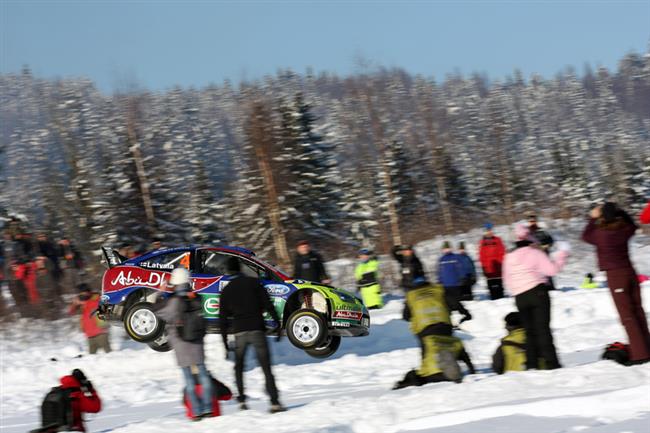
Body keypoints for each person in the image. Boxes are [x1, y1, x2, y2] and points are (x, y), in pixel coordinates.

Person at [582, 202, 650, 365]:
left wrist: (593, 218)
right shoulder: (624, 229)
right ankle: (646, 347)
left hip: (615, 275)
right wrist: (622, 211)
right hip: (630, 272)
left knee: (627, 316)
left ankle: (640, 354)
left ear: (603, 216)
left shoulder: (601, 233)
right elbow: (633, 225)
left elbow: (585, 235)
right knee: (638, 311)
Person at [219, 257, 286, 413]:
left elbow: (222, 319)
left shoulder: (227, 290)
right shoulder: (254, 283)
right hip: (257, 329)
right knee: (266, 367)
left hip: (240, 332)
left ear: (229, 271)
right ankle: (275, 402)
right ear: (240, 269)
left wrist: (224, 343)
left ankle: (242, 401)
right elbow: (268, 305)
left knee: (239, 367)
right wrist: (277, 326)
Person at [503, 224, 569, 370]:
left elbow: (506, 280)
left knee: (529, 331)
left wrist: (518, 288)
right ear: (530, 238)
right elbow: (552, 270)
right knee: (543, 330)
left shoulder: (509, 257)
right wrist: (562, 254)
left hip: (520, 297)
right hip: (537, 292)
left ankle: (531, 364)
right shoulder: (535, 252)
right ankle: (552, 364)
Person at [393, 277, 474, 389]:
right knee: (447, 345)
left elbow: (406, 316)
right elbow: (454, 303)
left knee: (428, 353)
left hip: (424, 329)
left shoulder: (411, 296)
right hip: (444, 324)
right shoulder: (438, 290)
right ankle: (451, 368)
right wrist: (465, 313)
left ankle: (431, 372)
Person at [157, 267, 213, 421]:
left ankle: (197, 412)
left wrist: (161, 294)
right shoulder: (197, 297)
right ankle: (208, 408)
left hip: (181, 344)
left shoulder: (174, 301)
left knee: (189, 379)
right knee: (203, 374)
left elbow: (160, 312)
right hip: (197, 341)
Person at [36, 369, 101, 432]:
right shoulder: (76, 394)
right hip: (72, 430)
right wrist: (91, 390)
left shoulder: (55, 392)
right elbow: (95, 407)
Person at [68, 284, 111, 354]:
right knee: (91, 358)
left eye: (83, 292)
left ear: (88, 291)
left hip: (101, 333)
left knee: (110, 355)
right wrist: (74, 303)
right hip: (90, 335)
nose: (81, 295)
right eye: (80, 293)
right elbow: (70, 312)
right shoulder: (81, 302)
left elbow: (100, 305)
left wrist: (83, 302)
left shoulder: (96, 297)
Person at [528, 214, 556, 290]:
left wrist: (547, 245)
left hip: (544, 254)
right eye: (530, 221)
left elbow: (551, 240)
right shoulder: (527, 232)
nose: (532, 222)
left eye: (533, 221)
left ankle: (551, 288)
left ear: (536, 221)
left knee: (547, 272)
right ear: (528, 222)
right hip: (533, 256)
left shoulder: (542, 230)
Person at [478, 223, 506, 300]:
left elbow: (502, 252)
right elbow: (481, 255)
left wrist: (501, 263)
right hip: (488, 268)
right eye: (487, 230)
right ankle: (493, 299)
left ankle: (501, 299)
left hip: (497, 266)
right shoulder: (482, 242)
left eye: (490, 230)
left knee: (499, 285)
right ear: (484, 231)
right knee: (491, 286)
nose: (489, 232)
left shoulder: (497, 240)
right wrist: (483, 266)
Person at [437, 241, 464, 309]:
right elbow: (439, 271)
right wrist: (439, 280)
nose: (447, 250)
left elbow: (460, 269)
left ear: (451, 249)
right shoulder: (441, 259)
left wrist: (461, 278)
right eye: (445, 249)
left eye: (448, 248)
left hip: (455, 283)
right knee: (448, 301)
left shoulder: (456, 257)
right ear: (443, 250)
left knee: (456, 300)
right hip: (445, 284)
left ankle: (458, 310)